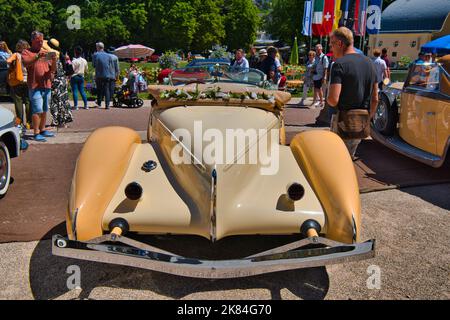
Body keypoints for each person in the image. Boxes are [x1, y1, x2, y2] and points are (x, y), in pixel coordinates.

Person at [327, 27, 378, 159]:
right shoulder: (370, 63)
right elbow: (375, 99)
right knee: (349, 158)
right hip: (361, 121)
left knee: (337, 161)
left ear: (340, 43)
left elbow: (333, 100)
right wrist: (368, 117)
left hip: (343, 121)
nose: (331, 48)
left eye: (332, 44)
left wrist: (326, 96)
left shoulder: (339, 64)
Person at [22, 31, 57, 142]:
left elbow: (52, 69)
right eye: (38, 41)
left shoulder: (45, 53)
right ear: (32, 40)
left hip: (46, 85)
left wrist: (54, 60)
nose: (40, 43)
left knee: (44, 109)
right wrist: (37, 57)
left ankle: (42, 129)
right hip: (34, 85)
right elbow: (26, 63)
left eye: (42, 41)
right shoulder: (27, 52)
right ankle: (36, 132)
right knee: (37, 109)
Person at [44, 38, 73, 127]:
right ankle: (62, 121)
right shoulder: (61, 54)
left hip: (54, 80)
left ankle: (56, 120)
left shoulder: (51, 54)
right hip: (62, 80)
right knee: (62, 101)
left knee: (54, 101)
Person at [6, 40, 31, 127]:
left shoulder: (16, 54)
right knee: (28, 101)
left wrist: (13, 66)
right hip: (28, 80)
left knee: (18, 101)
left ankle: (19, 122)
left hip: (17, 80)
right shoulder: (29, 55)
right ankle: (29, 122)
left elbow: (8, 61)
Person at [92, 42, 116, 109]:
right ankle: (107, 105)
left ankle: (99, 103)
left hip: (99, 74)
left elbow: (93, 65)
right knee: (107, 89)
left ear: (98, 47)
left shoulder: (95, 55)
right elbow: (111, 66)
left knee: (99, 89)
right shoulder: (108, 56)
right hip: (107, 75)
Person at [70, 46, 89, 110]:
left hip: (74, 76)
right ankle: (86, 105)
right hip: (81, 76)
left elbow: (72, 70)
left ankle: (76, 105)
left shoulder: (74, 61)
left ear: (75, 53)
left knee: (75, 91)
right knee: (82, 91)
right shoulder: (84, 60)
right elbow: (86, 70)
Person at [312, 44, 329, 108]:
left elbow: (325, 68)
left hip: (320, 75)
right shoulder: (315, 57)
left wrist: (324, 77)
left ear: (321, 49)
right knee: (316, 88)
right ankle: (316, 101)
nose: (317, 51)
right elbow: (315, 64)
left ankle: (321, 102)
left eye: (318, 50)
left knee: (319, 89)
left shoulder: (324, 57)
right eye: (316, 49)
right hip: (315, 75)